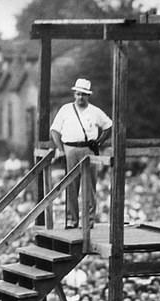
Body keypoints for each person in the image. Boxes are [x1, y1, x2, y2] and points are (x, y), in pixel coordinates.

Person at [50, 78, 112, 229]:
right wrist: (60, 149)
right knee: (71, 185)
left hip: (88, 149)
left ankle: (89, 220)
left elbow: (108, 126)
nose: (80, 97)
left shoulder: (95, 111)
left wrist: (99, 141)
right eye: (78, 94)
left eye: (83, 95)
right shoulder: (66, 109)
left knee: (89, 185)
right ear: (74, 94)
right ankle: (72, 219)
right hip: (69, 149)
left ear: (88, 96)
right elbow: (55, 130)